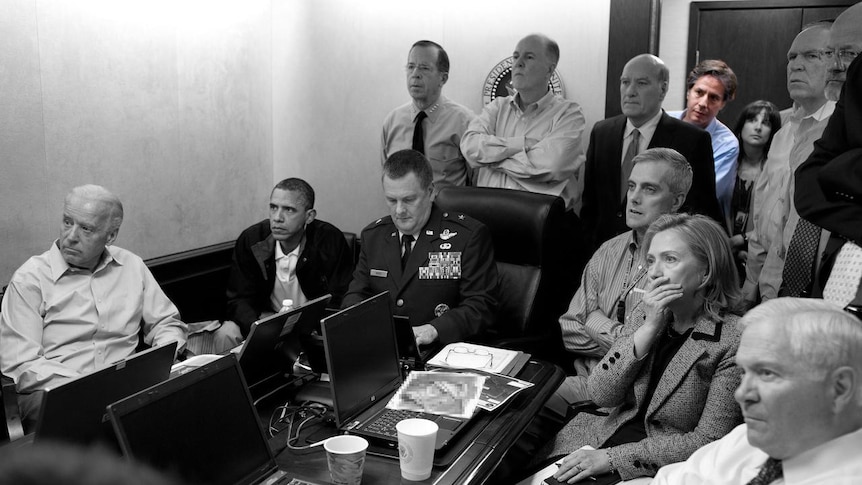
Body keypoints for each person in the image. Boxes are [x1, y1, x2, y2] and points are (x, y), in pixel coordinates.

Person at [544, 213, 742, 483]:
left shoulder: (733, 338)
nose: (654, 272)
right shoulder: (646, 314)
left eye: (669, 259)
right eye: (650, 261)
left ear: (706, 272)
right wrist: (648, 329)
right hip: (605, 434)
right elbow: (602, 394)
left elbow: (709, 441)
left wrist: (614, 458)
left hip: (661, 466)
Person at [0, 185, 187, 426]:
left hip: (129, 386)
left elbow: (166, 323)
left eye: (86, 228)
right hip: (58, 392)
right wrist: (91, 385)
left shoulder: (131, 266)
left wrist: (161, 360)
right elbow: (21, 364)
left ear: (110, 235)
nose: (71, 236)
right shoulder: (30, 279)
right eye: (68, 222)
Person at [651, 297, 862, 484]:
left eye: (767, 373)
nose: (741, 394)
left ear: (840, 388)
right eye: (744, 372)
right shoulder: (749, 439)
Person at [553, 148, 692, 408]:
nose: (634, 198)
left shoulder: (684, 262)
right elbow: (569, 330)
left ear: (676, 201)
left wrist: (594, 322)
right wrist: (627, 343)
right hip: (588, 381)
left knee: (522, 405)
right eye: (631, 186)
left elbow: (657, 355)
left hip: (639, 398)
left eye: (650, 189)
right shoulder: (609, 250)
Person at [342, 149, 497, 347]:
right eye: (391, 200)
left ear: (431, 192)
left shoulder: (466, 237)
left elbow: (481, 306)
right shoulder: (374, 236)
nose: (399, 211)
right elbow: (356, 294)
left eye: (408, 200)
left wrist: (434, 329)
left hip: (442, 351)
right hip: (385, 349)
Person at [580, 54, 722, 252]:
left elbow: (702, 211)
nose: (630, 91)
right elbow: (590, 205)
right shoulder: (603, 132)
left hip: (661, 256)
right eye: (625, 82)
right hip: (604, 255)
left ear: (662, 89)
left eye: (641, 83)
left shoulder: (692, 140)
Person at [745, 22, 835, 305]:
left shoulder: (842, 134)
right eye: (792, 57)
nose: (796, 65)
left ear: (839, 63)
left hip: (822, 292)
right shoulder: (783, 133)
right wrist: (752, 282)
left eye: (811, 56)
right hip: (771, 285)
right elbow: (764, 214)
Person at [460, 33, 586, 212]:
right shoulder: (497, 107)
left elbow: (552, 165)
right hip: (490, 219)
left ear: (549, 70)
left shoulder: (569, 113)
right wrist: (521, 145)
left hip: (544, 227)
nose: (518, 63)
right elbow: (469, 146)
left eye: (529, 57)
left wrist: (491, 159)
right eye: (516, 56)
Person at [225, 178, 354, 337]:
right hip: (265, 322)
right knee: (227, 332)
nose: (277, 218)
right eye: (273, 207)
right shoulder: (252, 240)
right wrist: (258, 327)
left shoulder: (329, 240)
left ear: (309, 216)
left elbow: (339, 298)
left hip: (311, 328)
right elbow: (238, 298)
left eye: (289, 210)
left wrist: (308, 326)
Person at [795, 3, 862, 305]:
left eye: (847, 54)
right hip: (837, 292)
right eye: (828, 53)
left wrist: (840, 171)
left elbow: (833, 171)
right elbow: (808, 183)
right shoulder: (848, 106)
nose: (834, 65)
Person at [381, 40, 476, 195]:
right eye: (410, 67)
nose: (415, 74)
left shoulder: (464, 122)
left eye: (424, 68)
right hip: (404, 215)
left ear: (443, 78)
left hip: (448, 215)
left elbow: (476, 183)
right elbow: (388, 180)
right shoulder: (392, 122)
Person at [669, 60, 739, 219]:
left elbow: (705, 192)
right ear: (688, 92)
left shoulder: (727, 144)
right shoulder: (664, 120)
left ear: (722, 104)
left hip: (695, 221)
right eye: (699, 92)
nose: (703, 103)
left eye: (713, 98)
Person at [727, 101, 781, 281]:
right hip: (721, 248)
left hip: (760, 253)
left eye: (765, 123)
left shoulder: (776, 170)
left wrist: (742, 240)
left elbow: (776, 217)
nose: (758, 127)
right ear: (741, 125)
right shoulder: (726, 164)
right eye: (752, 120)